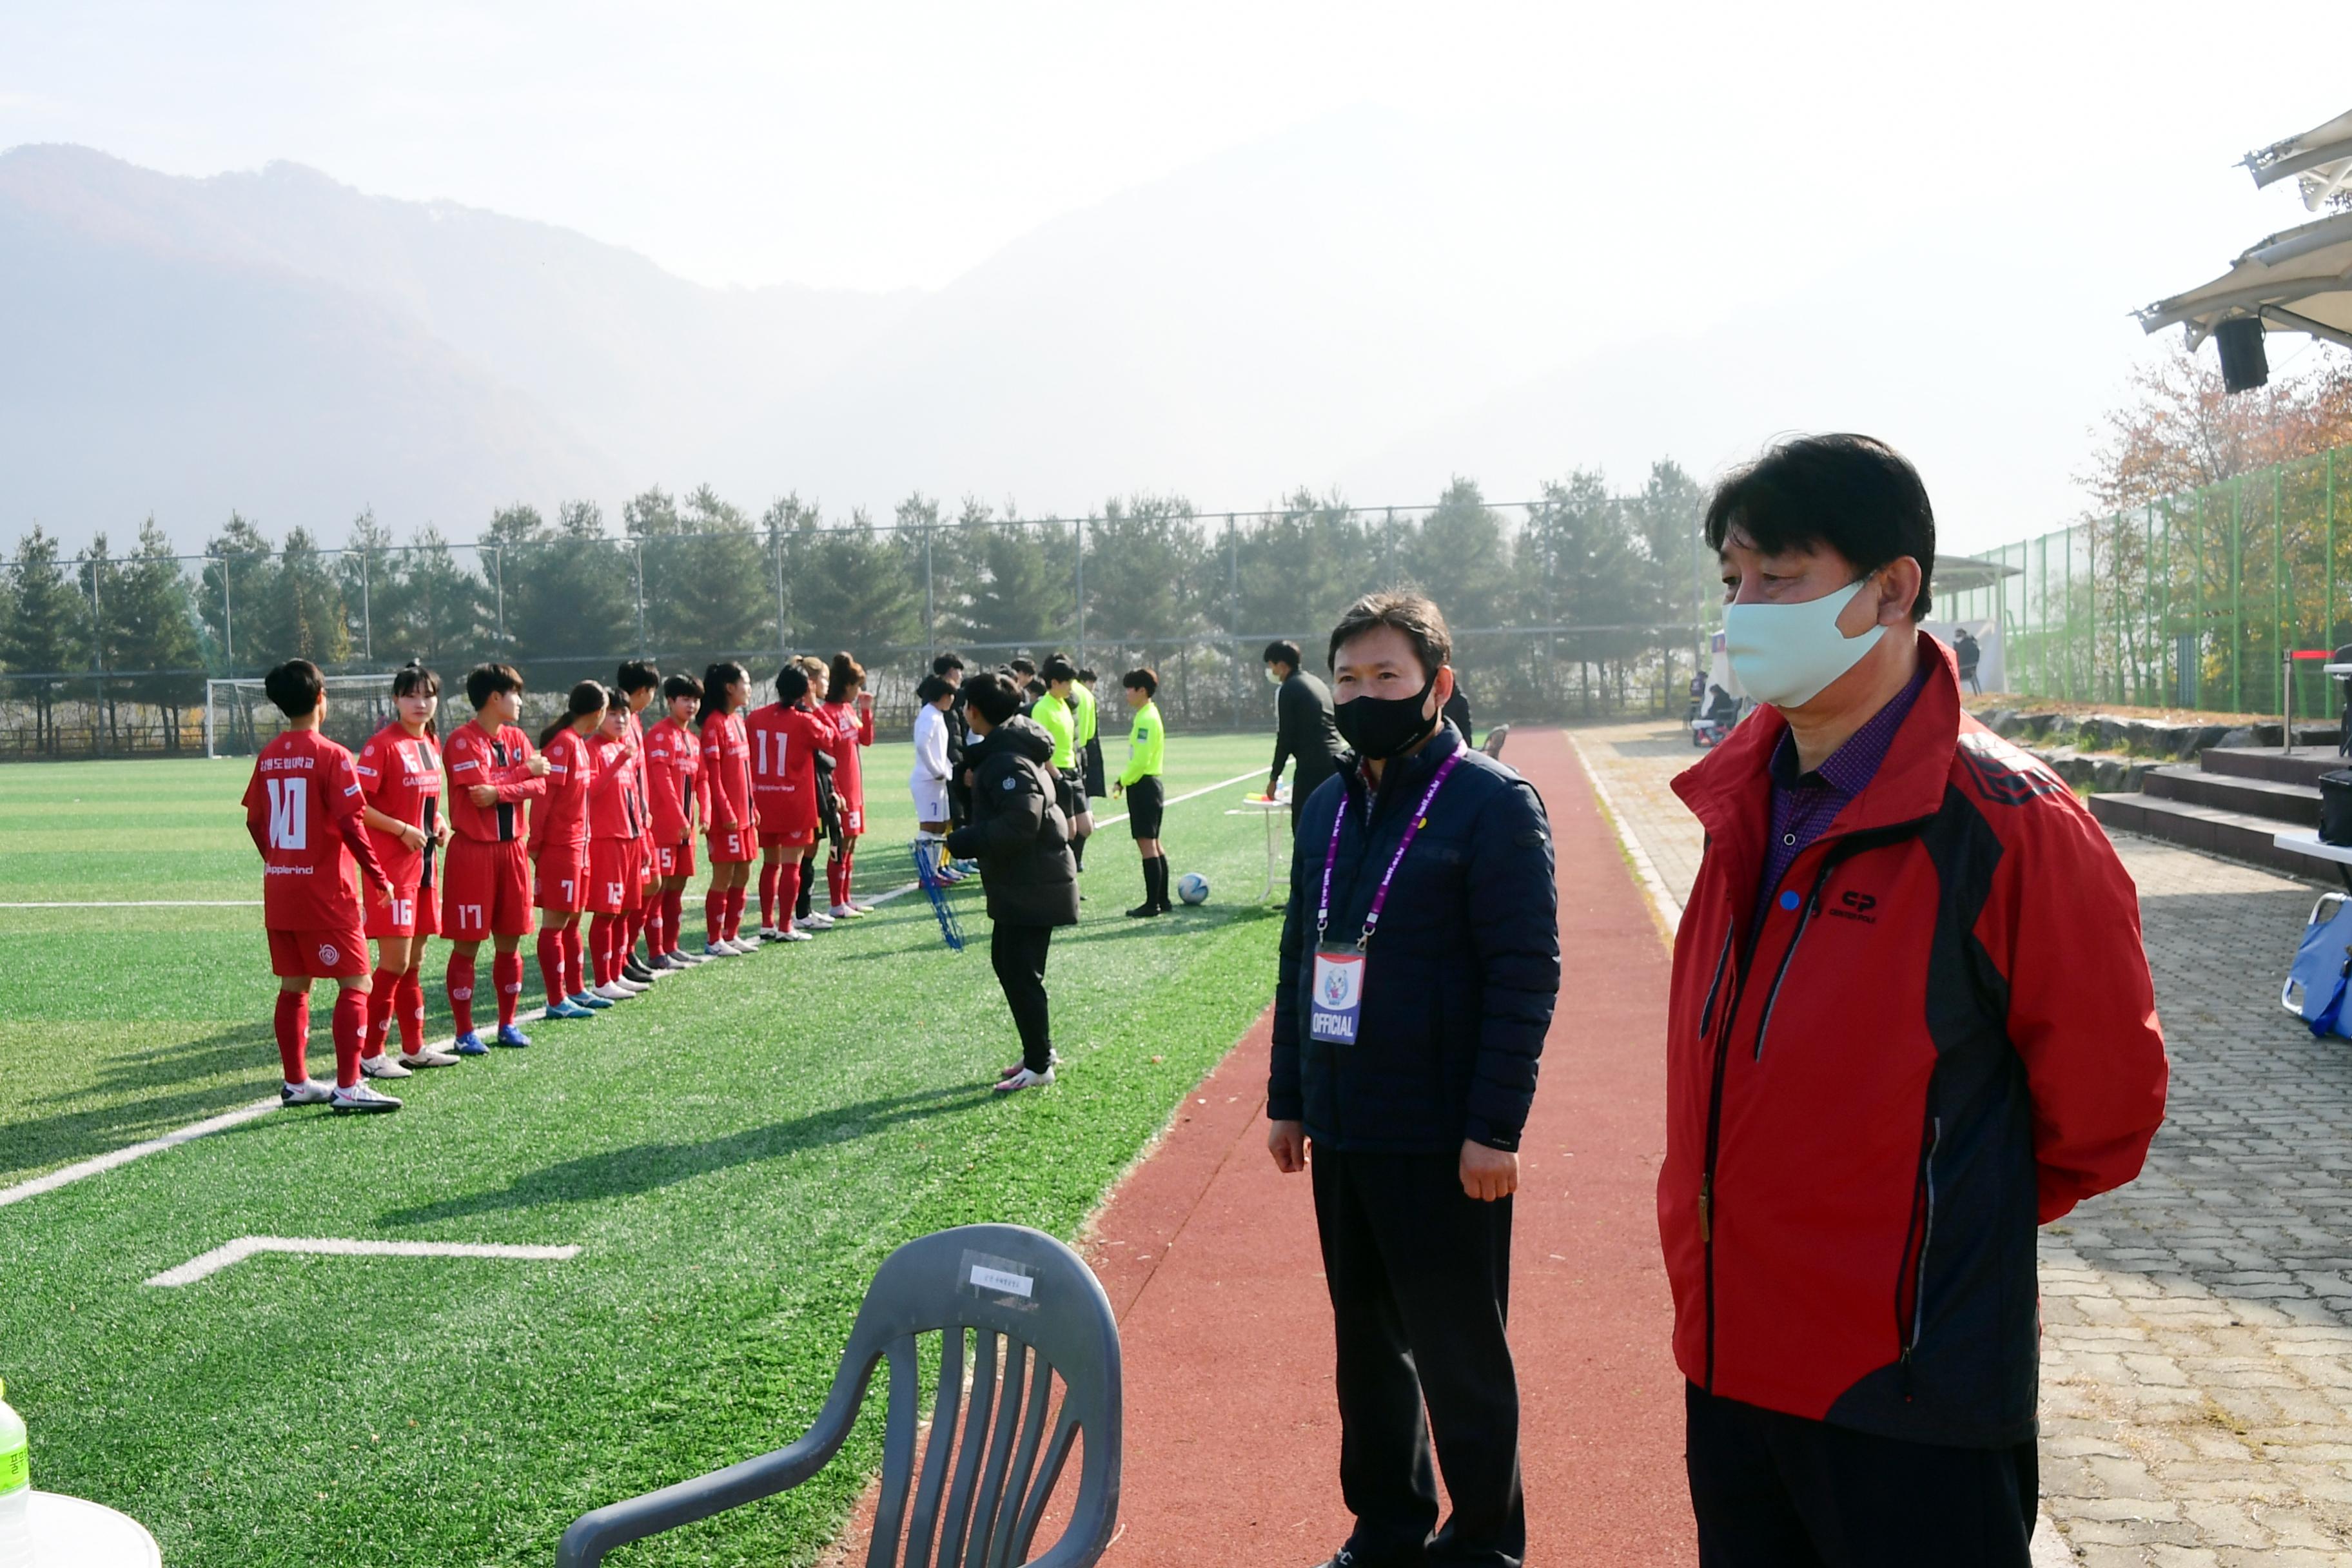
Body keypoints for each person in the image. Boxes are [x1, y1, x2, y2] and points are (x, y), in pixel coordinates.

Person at [1667, 434, 2168, 1567]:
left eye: (1779, 579)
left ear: (1891, 588)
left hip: (1910, 1387)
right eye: (1731, 581)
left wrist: (1932, 1220)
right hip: (1729, 1361)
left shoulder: (2010, 824)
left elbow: (2103, 1109)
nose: (1743, 610)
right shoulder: (1739, 802)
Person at [1266, 591, 1560, 1568]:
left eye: (1385, 677)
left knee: (1461, 1357)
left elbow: (1526, 975)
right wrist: (1288, 1098)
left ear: (1438, 684)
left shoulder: (1493, 803)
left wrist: (1496, 1127)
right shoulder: (1327, 805)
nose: (1361, 695)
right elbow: (1300, 958)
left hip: (1444, 1138)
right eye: (1347, 678)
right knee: (1368, 1352)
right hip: (1347, 1126)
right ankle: (1387, 1528)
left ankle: (1483, 1543)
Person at [241, 658, 402, 1113]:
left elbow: (255, 820)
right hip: (327, 892)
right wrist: (378, 875)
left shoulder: (269, 755)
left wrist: (278, 862)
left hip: (281, 889)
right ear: (320, 700)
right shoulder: (333, 755)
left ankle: (296, 1082)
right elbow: (353, 825)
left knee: (295, 985)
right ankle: (349, 1086)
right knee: (357, 981)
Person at [946, 672, 1077, 1095]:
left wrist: (964, 842)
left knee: (1020, 971)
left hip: (1033, 882)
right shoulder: (1005, 749)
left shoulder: (1007, 757)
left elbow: (1022, 821)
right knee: (1010, 965)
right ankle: (1039, 1050)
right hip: (1025, 881)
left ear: (974, 711)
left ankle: (1040, 1064)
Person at [441, 662, 550, 1052]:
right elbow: (477, 792)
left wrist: (505, 787)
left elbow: (538, 785)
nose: (520, 701)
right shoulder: (460, 741)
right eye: (515, 693)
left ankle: (507, 1025)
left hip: (513, 852)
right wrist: (522, 774)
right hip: (474, 853)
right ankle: (464, 1031)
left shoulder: (518, 737)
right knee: (468, 944)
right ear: (495, 697)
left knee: (510, 942)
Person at [354, 661, 456, 1075]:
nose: (420, 702)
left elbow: (425, 802)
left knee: (414, 962)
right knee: (393, 962)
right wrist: (400, 830)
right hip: (393, 870)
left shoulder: (431, 743)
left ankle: (414, 1047)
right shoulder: (382, 745)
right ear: (395, 700)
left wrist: (440, 821)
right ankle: (371, 1053)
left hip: (426, 866)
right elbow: (357, 805)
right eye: (411, 695)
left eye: (428, 695)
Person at [531, 681, 609, 1020]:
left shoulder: (577, 743)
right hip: (561, 847)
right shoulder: (563, 745)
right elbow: (544, 800)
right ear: (597, 712)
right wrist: (536, 844)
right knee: (555, 922)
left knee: (573, 919)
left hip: (581, 844)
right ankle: (555, 999)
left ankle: (576, 989)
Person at [745, 664, 834, 943]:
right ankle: (785, 926)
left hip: (763, 801)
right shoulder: (803, 720)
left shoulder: (755, 718)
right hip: (794, 802)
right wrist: (814, 705)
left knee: (770, 864)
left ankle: (766, 923)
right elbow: (832, 737)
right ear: (804, 689)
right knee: (791, 866)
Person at [583, 701, 651, 1001]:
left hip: (631, 838)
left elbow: (634, 798)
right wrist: (617, 762)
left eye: (624, 713)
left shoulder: (623, 748)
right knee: (607, 912)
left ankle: (617, 972)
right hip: (606, 840)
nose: (621, 719)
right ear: (598, 716)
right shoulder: (593, 749)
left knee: (625, 910)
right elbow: (591, 791)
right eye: (613, 713)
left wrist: (644, 840)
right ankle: (602, 979)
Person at [642, 672, 709, 970]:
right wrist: (678, 816)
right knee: (658, 889)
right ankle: (655, 952)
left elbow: (702, 780)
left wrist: (704, 812)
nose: (691, 705)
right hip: (665, 828)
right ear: (670, 702)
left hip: (686, 830)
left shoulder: (693, 740)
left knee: (677, 889)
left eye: (695, 699)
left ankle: (672, 946)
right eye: (685, 699)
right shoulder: (659, 735)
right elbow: (662, 780)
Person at [696, 662, 757, 956]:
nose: (749, 688)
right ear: (729, 688)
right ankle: (714, 939)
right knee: (724, 875)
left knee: (744, 873)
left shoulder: (737, 721)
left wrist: (752, 805)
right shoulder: (714, 724)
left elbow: (745, 770)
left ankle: (731, 934)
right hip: (726, 819)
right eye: (745, 682)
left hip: (745, 816)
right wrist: (727, 811)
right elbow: (712, 776)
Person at [613, 659, 663, 985]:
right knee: (634, 890)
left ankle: (627, 950)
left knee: (651, 884)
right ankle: (619, 957)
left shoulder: (634, 720)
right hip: (626, 821)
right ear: (644, 691)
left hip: (639, 818)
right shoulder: (621, 722)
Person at [819, 652, 877, 919]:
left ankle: (846, 898)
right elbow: (826, 756)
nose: (859, 691)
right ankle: (835, 901)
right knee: (839, 843)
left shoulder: (847, 709)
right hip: (840, 790)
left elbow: (865, 740)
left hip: (855, 789)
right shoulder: (827, 713)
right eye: (857, 686)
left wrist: (866, 711)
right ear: (845, 685)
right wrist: (835, 791)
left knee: (851, 842)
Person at [1264, 638, 1344, 825]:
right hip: (1336, 761)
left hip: (1313, 766)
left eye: (1271, 666)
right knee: (1331, 823)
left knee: (1303, 824)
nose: (1271, 672)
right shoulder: (1315, 682)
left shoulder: (1289, 689)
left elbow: (1285, 738)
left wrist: (1274, 777)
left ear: (1282, 666)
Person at [1112, 667, 1170, 917]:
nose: (1127, 694)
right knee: (1155, 843)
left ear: (1142, 691)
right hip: (1149, 785)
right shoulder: (1148, 714)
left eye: (1130, 689)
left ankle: (1152, 904)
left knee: (1147, 845)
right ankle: (1163, 900)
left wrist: (1122, 781)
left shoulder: (1146, 718)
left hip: (1144, 786)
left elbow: (1141, 761)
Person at [1034, 656, 1092, 877]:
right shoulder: (1043, 708)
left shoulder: (1065, 705)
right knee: (1068, 831)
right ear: (1055, 683)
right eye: (1067, 682)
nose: (1071, 687)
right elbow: (1040, 747)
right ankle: (1061, 876)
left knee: (1085, 827)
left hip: (1072, 771)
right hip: (1056, 773)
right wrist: (1055, 774)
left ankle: (1072, 869)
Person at [911, 673, 961, 879]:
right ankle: (927, 875)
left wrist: (946, 769)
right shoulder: (929, 716)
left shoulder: (937, 715)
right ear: (942, 695)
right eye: (950, 695)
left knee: (939, 826)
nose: (953, 699)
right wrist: (935, 771)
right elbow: (922, 745)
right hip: (927, 781)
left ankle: (934, 872)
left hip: (937, 781)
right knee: (929, 827)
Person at [1073, 665, 1107, 806]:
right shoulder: (1088, 697)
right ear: (1083, 680)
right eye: (1091, 682)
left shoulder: (1067, 692)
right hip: (1083, 747)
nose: (1093, 686)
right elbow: (1091, 732)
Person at [1953, 625, 1983, 694]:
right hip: (1960, 670)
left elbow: (1971, 660)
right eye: (1956, 636)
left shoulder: (1969, 645)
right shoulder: (1961, 645)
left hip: (1965, 671)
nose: (1957, 637)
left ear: (1964, 635)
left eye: (1959, 635)